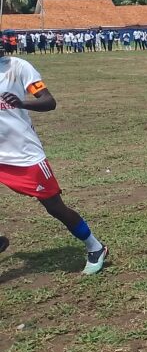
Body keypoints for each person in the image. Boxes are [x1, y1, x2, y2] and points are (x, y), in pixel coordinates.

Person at [0, 32, 108, 274]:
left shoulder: (18, 67)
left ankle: (95, 246)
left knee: (54, 207)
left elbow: (49, 102)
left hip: (23, 154)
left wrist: (21, 103)